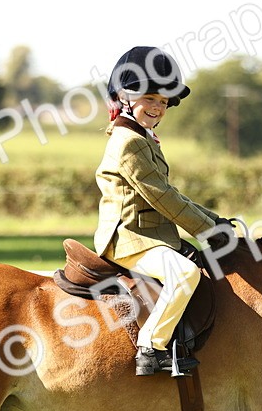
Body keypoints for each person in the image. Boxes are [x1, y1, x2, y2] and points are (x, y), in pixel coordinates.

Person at [93, 46, 229, 377]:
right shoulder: (129, 141)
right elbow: (162, 197)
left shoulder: (143, 137)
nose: (158, 108)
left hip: (150, 235)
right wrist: (208, 231)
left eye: (164, 103)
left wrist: (216, 221)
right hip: (129, 239)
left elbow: (172, 194)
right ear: (125, 96)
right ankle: (151, 348)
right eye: (150, 99)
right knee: (185, 274)